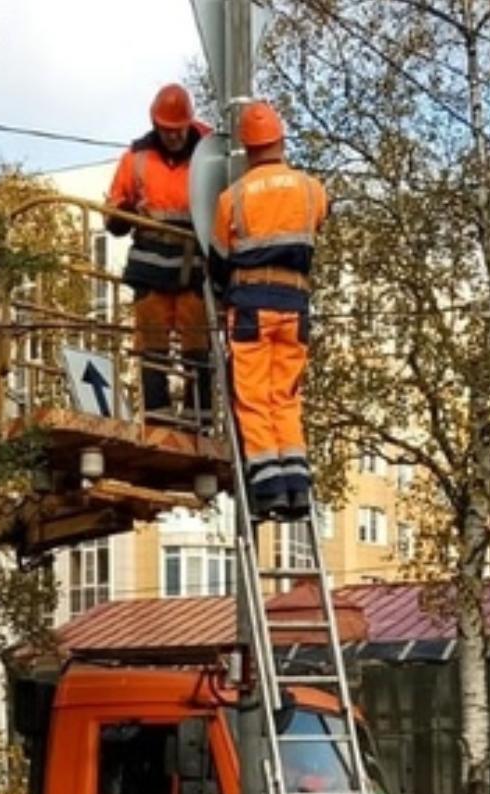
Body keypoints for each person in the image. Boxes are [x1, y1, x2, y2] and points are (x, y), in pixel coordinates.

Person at [210, 100, 329, 521]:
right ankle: (297, 486)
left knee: (255, 398)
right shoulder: (312, 188)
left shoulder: (232, 198)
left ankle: (269, 490)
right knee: (286, 398)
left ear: (247, 149)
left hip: (249, 306)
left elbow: (219, 260)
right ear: (280, 141)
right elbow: (317, 227)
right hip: (295, 305)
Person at [105, 84, 214, 423]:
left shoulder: (209, 153)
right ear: (156, 126)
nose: (173, 136)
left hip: (193, 267)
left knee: (198, 343)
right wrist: (119, 216)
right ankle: (159, 417)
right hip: (150, 267)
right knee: (152, 345)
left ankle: (200, 418)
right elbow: (114, 211)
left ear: (189, 124)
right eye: (167, 130)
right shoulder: (136, 158)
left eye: (178, 129)